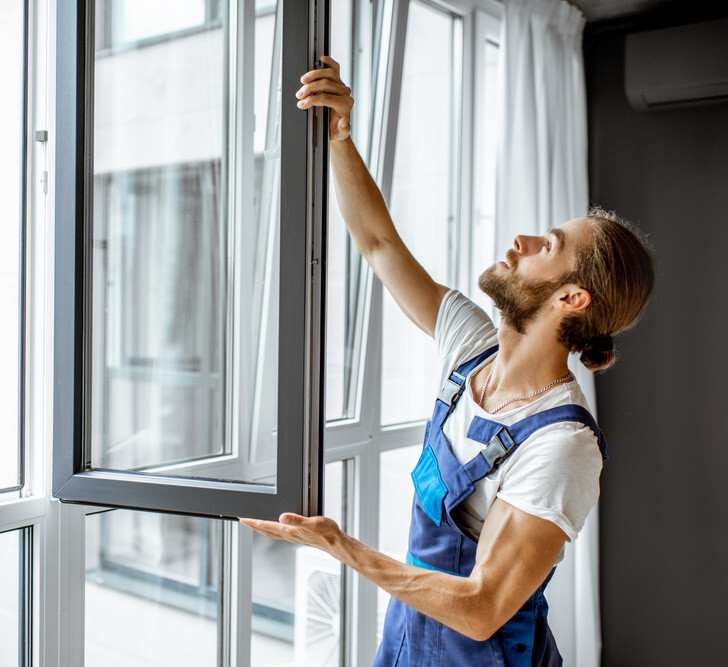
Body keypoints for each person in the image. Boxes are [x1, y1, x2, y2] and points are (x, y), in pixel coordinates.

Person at [240, 56, 655, 665]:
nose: (522, 241)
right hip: (410, 638)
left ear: (572, 298)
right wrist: (340, 137)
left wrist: (341, 547)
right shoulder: (470, 346)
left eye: (550, 246)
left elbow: (484, 605)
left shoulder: (563, 443)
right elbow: (380, 246)